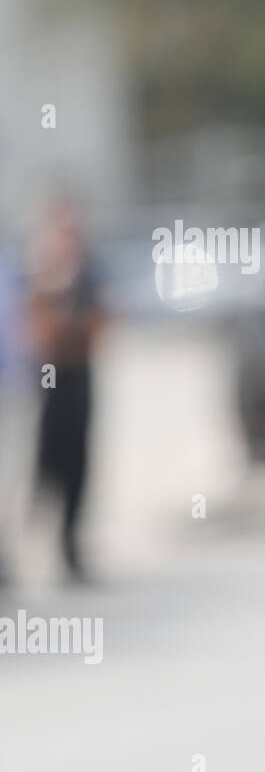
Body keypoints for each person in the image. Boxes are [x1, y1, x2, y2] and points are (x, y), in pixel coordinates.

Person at [24, 197, 106, 583]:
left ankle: (70, 546)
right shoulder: (40, 275)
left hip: (80, 376)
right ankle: (29, 546)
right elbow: (41, 335)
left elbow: (100, 328)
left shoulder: (88, 276)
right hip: (48, 378)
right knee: (43, 464)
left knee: (78, 463)